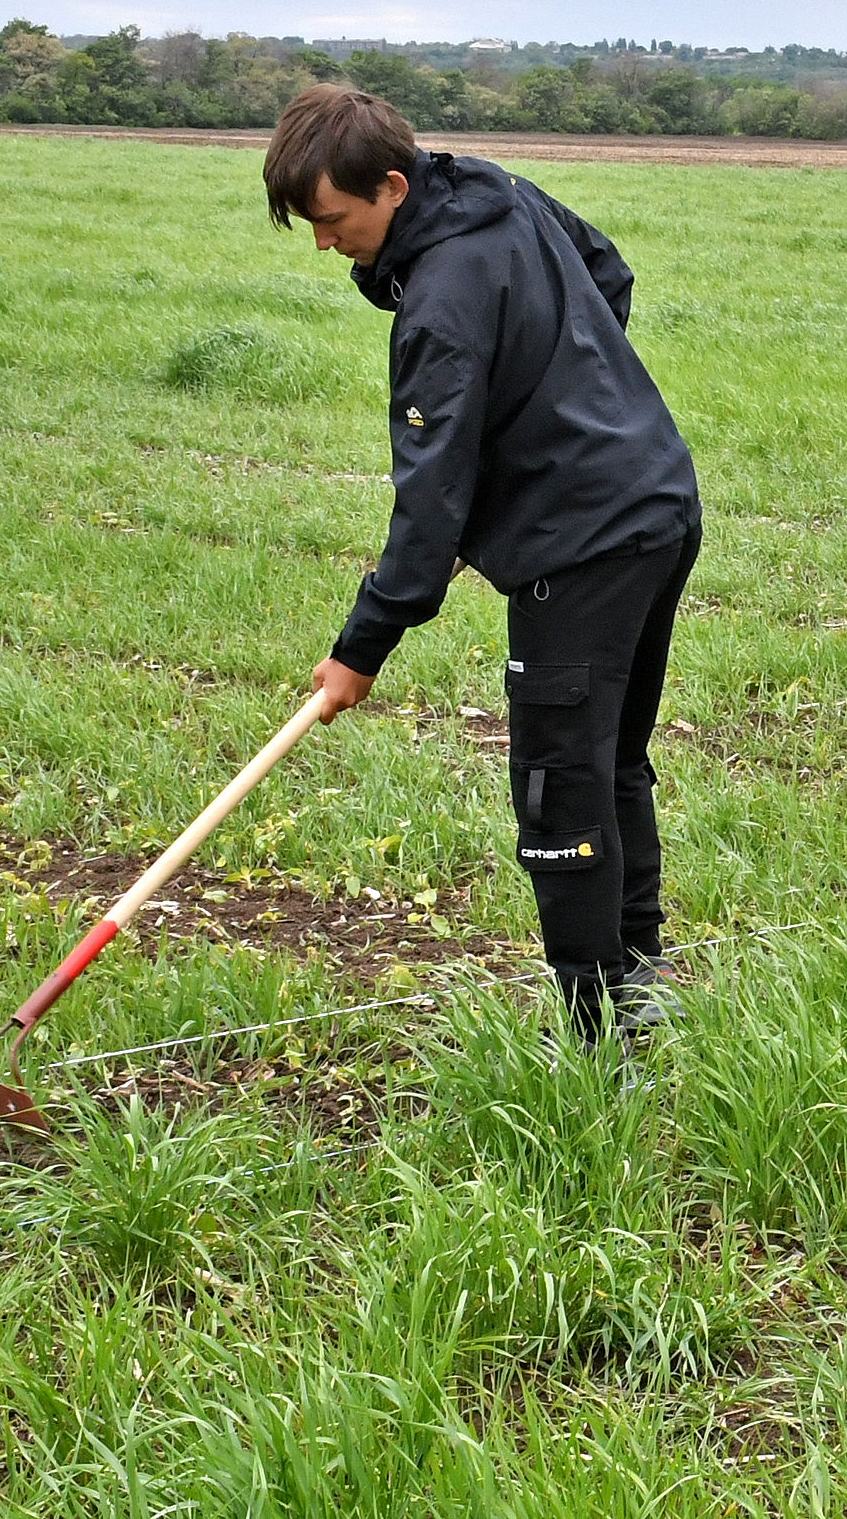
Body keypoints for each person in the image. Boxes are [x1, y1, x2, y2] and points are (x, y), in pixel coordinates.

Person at [269, 85, 703, 1041]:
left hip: (585, 547)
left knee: (560, 791)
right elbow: (609, 274)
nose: (323, 243)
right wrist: (574, 406)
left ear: (390, 186)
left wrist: (360, 648)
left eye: (333, 221)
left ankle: (600, 1038)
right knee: (611, 761)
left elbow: (428, 509)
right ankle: (640, 983)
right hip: (659, 502)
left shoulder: (439, 307)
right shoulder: (495, 191)